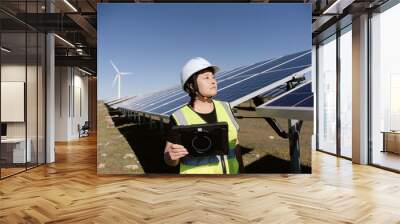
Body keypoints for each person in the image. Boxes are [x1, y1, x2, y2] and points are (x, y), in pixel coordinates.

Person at [163, 57, 244, 174]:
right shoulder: (179, 117)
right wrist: (171, 157)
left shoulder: (226, 107)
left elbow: (235, 142)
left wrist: (241, 171)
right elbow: (169, 158)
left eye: (213, 77)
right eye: (206, 77)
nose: (213, 81)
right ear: (191, 85)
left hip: (231, 181)